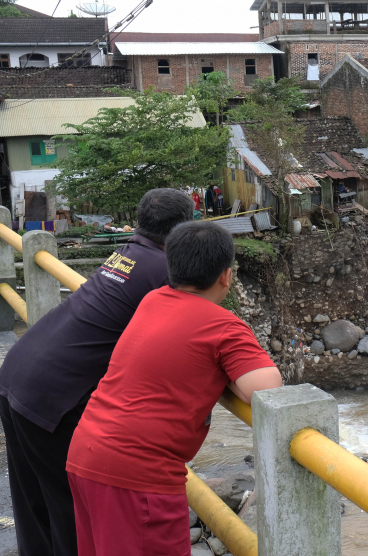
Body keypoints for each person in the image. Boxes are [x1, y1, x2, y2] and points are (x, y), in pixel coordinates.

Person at [66, 221, 282, 556]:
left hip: (86, 452)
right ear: (226, 276)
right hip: (138, 477)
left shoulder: (153, 300)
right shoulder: (224, 326)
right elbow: (266, 387)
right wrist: (224, 370)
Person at [0, 188, 194, 556]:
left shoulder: (125, 254)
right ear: (185, 228)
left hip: (17, 374)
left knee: (34, 504)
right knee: (72, 508)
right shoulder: (164, 271)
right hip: (53, 398)